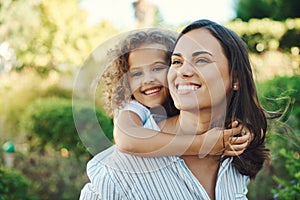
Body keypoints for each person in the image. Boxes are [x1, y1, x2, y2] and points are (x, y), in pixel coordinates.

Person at [80, 21, 258, 199]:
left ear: (236, 78)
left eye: (201, 60)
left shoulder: (236, 152)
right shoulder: (121, 169)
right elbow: (126, 138)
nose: (183, 71)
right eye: (177, 61)